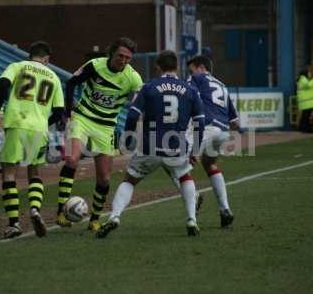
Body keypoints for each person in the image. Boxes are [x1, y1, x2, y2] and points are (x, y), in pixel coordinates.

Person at [96, 50, 205, 238]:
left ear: (157, 67)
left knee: (130, 180)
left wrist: (128, 139)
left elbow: (131, 115)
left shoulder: (148, 87)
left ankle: (114, 217)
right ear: (177, 67)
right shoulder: (191, 90)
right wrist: (195, 149)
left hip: (150, 146)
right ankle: (191, 219)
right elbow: (200, 122)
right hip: (177, 147)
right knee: (185, 177)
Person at [56, 37, 143, 231]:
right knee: (72, 159)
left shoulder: (133, 78)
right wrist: (68, 112)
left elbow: (140, 102)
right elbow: (71, 83)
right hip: (82, 118)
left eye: (128, 58)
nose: (124, 60)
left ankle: (94, 219)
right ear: (111, 53)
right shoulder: (95, 66)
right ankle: (61, 211)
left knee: (104, 178)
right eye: (120, 56)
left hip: (106, 127)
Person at [0, 41, 66, 239]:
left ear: (30, 55)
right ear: (47, 59)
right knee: (34, 172)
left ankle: (14, 223)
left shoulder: (17, 66)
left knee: (9, 172)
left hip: (17, 123)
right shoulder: (54, 77)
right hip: (39, 129)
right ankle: (35, 209)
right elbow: (60, 112)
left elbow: (3, 84)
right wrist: (44, 122)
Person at [186, 55, 239, 228]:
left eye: (191, 69)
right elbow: (235, 122)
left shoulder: (196, 78)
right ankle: (225, 209)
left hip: (206, 128)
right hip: (223, 131)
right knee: (210, 165)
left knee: (177, 163)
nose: (190, 73)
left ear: (201, 67)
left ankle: (193, 198)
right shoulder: (222, 85)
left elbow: (187, 98)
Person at [296, 65, 313, 133]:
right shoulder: (303, 79)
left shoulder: (303, 79)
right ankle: (304, 129)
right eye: (309, 73)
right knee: (305, 117)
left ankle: (305, 129)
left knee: (306, 116)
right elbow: (308, 85)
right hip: (306, 103)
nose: (310, 74)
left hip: (307, 102)